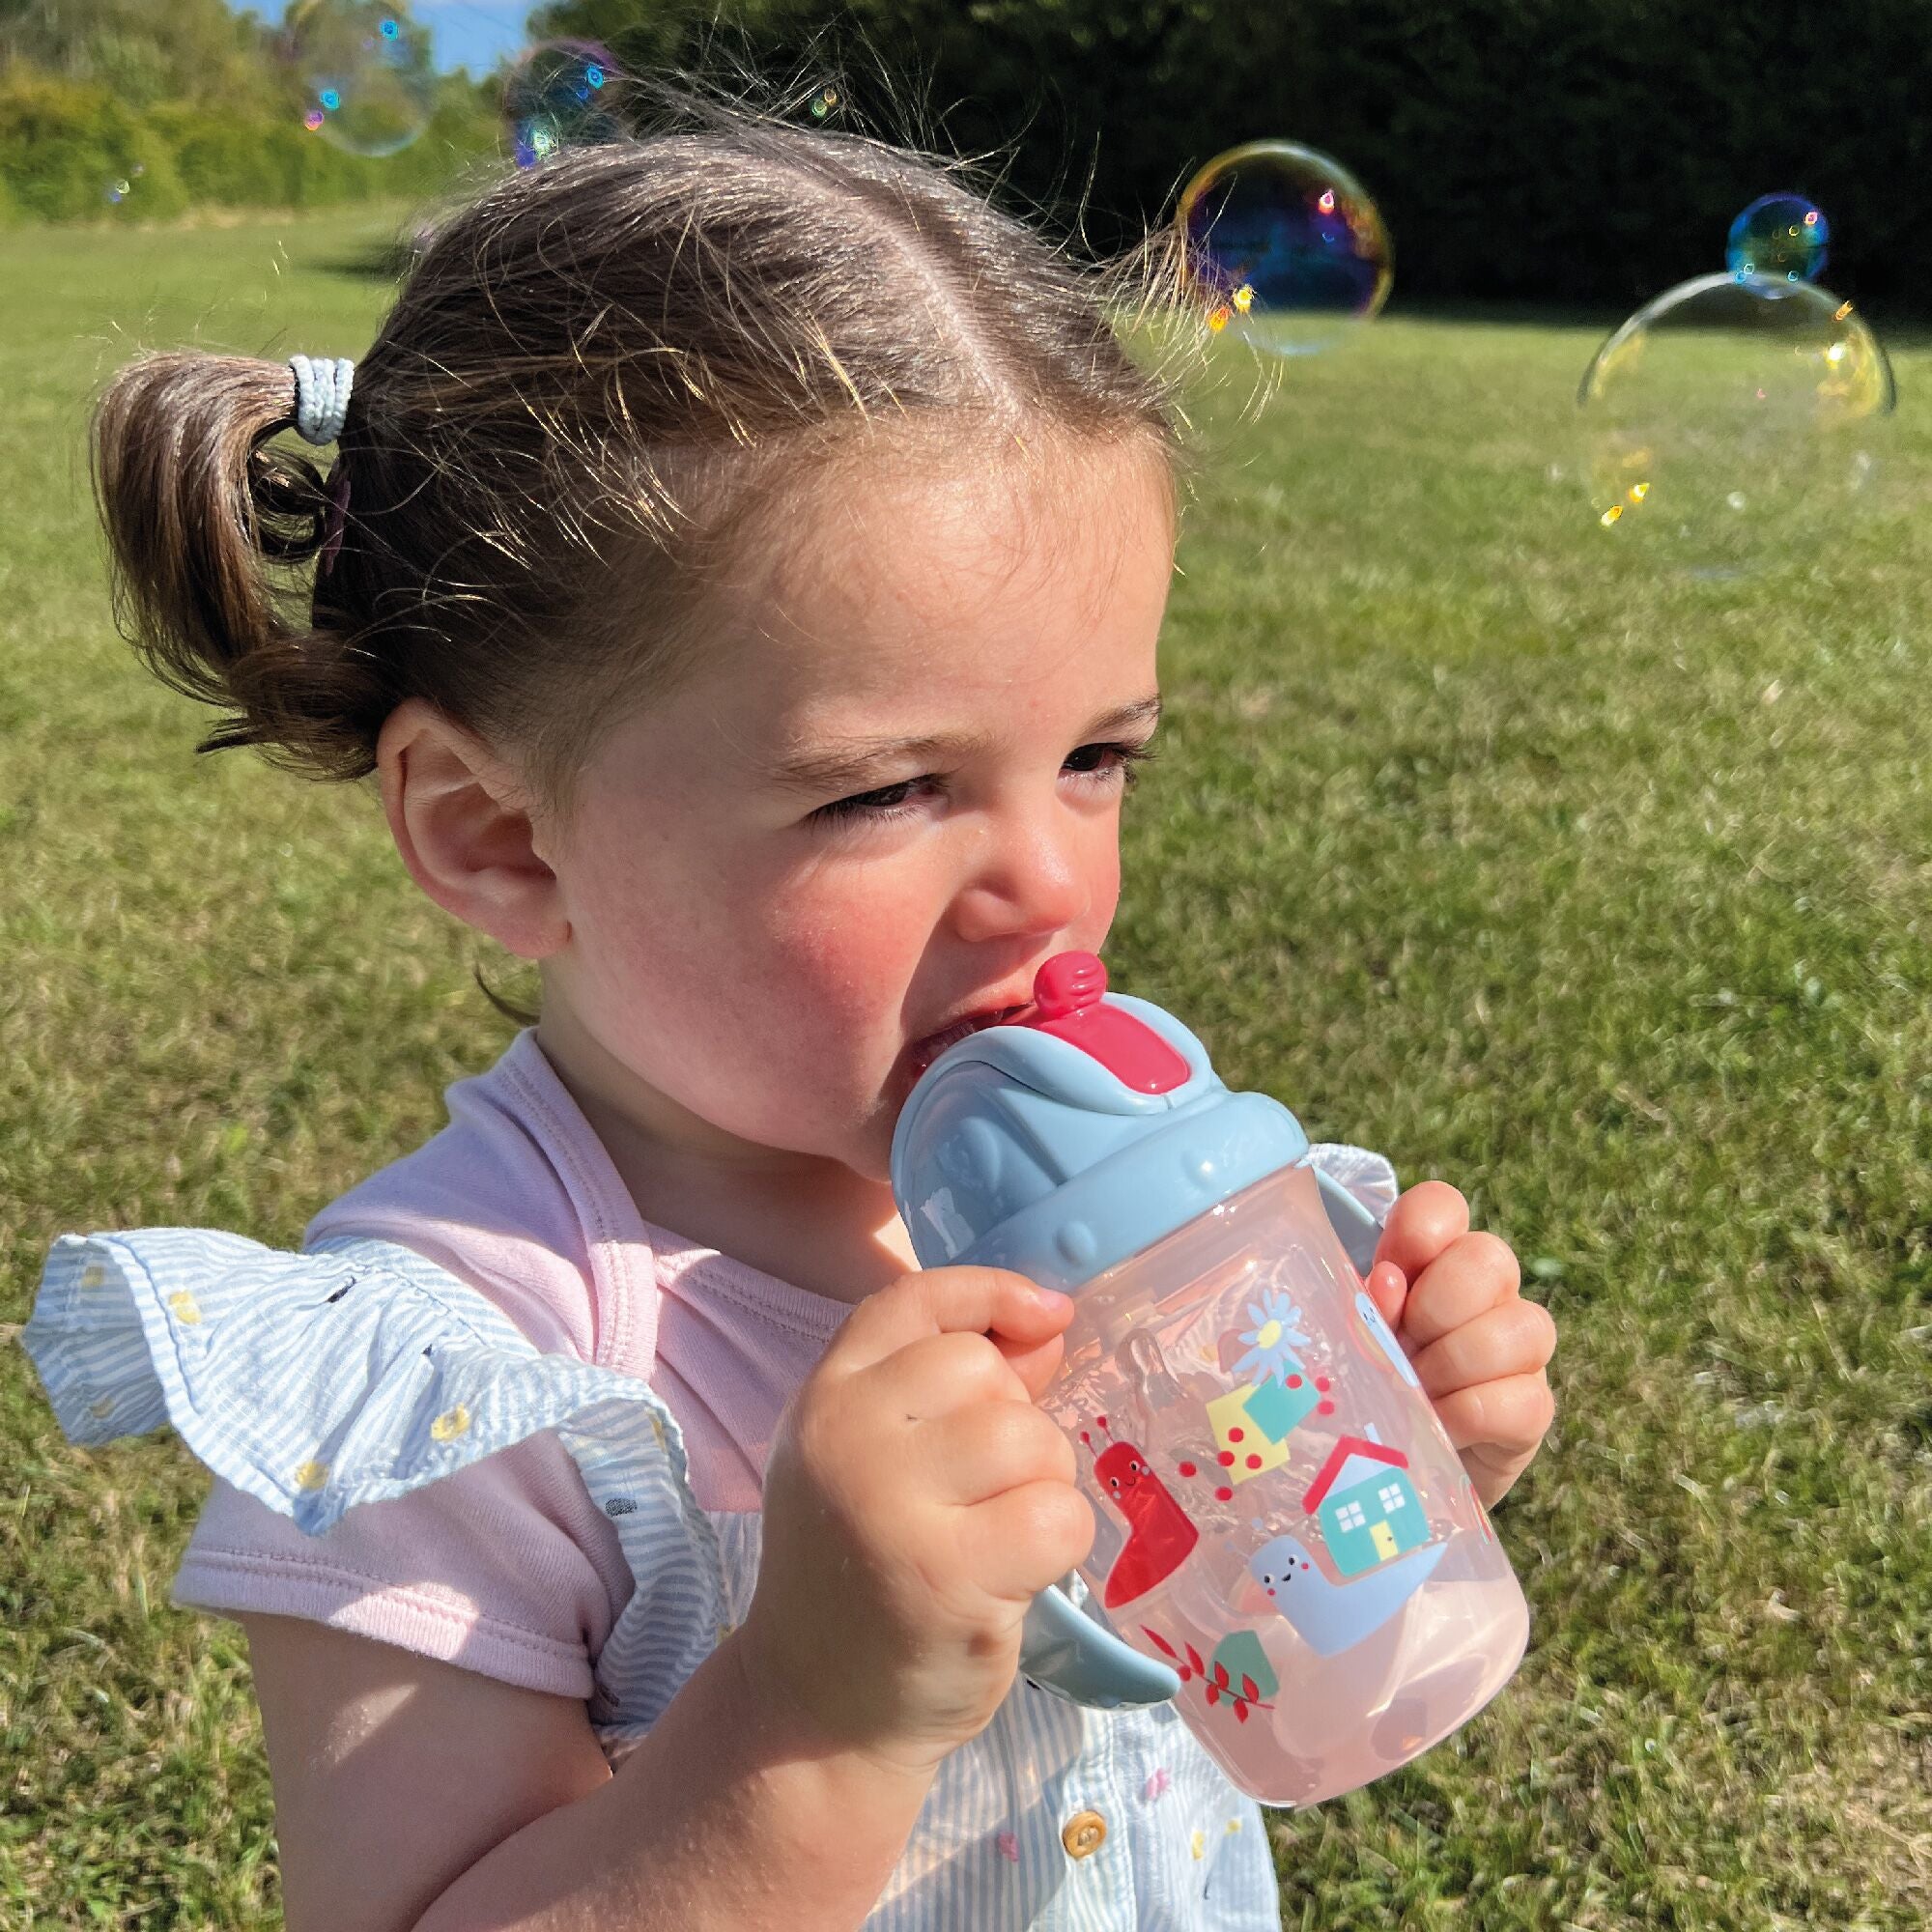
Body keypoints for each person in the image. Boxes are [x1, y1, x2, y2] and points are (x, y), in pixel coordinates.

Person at [22, 93, 1556, 1932]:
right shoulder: (480, 1382)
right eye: (885, 793)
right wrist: (809, 1710)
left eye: (1095, 757)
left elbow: (1234, 1605)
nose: (1048, 887)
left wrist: (1371, 1463)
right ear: (500, 836)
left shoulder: (1116, 1200)